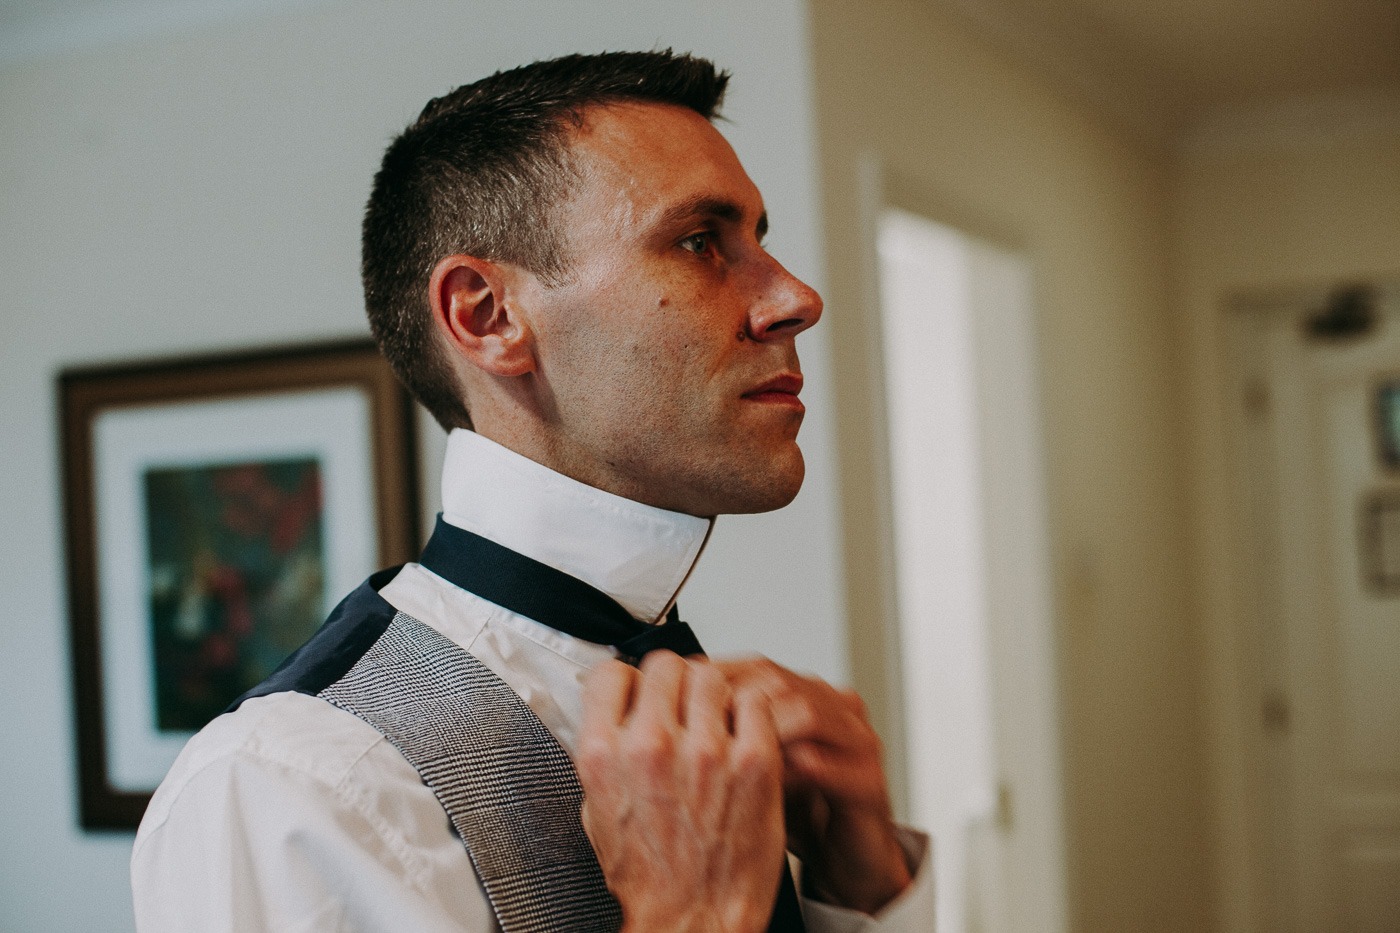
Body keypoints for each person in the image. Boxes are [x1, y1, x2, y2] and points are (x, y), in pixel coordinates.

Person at [131, 50, 934, 932]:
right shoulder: (289, 788)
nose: (796, 296)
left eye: (760, 238)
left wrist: (865, 901)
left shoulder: (715, 727)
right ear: (488, 316)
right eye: (701, 241)